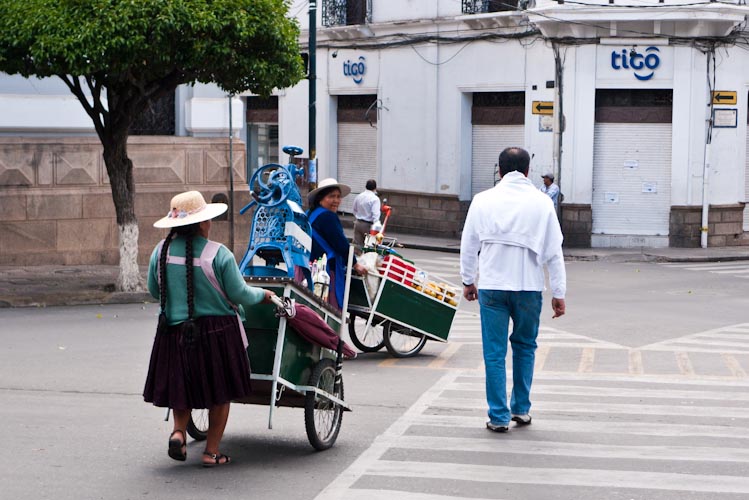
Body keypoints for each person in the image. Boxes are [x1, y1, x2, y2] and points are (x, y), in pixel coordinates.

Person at [143, 190, 274, 467]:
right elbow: (240, 294)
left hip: (172, 332)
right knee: (220, 394)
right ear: (204, 223)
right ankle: (211, 452)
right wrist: (262, 294)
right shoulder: (218, 254)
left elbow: (155, 291)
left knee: (181, 385)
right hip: (217, 334)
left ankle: (178, 432)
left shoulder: (160, 252)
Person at [460, 147, 566, 433]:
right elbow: (554, 252)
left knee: (494, 354)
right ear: (529, 171)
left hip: (492, 287)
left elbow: (469, 244)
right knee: (525, 347)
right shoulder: (542, 203)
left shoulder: (483, 200)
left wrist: (468, 280)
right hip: (529, 288)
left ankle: (498, 416)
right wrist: (559, 293)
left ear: (500, 169)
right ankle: (520, 408)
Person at [307, 178, 368, 310]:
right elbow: (340, 244)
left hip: (310, 267)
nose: (336, 201)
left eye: (338, 197)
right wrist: (355, 264)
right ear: (321, 199)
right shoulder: (327, 216)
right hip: (325, 271)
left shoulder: (311, 214)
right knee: (329, 308)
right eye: (331, 196)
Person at [351, 179, 381, 255]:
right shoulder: (375, 199)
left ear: (366, 186)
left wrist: (358, 217)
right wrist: (377, 227)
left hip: (358, 223)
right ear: (375, 188)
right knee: (369, 247)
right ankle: (365, 264)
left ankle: (355, 263)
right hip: (368, 225)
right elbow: (375, 215)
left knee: (357, 247)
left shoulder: (359, 196)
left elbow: (354, 210)